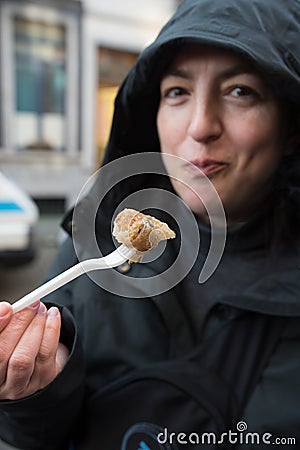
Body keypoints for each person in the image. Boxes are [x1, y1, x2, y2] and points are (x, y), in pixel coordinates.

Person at [0, 0, 300, 448]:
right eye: (176, 92)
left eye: (241, 91)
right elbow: (37, 432)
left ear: (291, 124)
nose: (200, 126)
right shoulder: (98, 237)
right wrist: (35, 387)